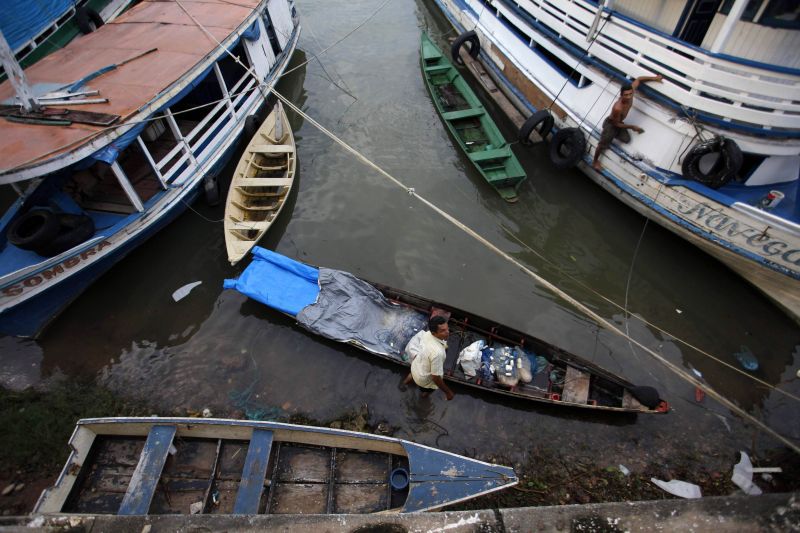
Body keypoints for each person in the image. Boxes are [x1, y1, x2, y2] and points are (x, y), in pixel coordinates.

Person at [592, 74, 663, 171]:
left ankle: (613, 134)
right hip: (612, 124)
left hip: (619, 123)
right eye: (626, 95)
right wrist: (633, 127)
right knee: (602, 145)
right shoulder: (617, 108)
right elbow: (616, 124)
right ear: (621, 95)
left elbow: (639, 79)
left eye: (630, 94)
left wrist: (654, 78)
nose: (629, 97)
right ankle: (595, 161)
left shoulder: (631, 91)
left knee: (626, 139)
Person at [402, 316, 455, 400]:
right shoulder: (438, 353)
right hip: (423, 379)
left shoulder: (427, 335)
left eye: (447, 329)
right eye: (443, 331)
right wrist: (448, 392)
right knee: (428, 390)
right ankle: (423, 398)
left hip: (415, 366)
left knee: (413, 374)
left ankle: (404, 383)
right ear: (434, 333)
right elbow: (436, 378)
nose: (447, 332)